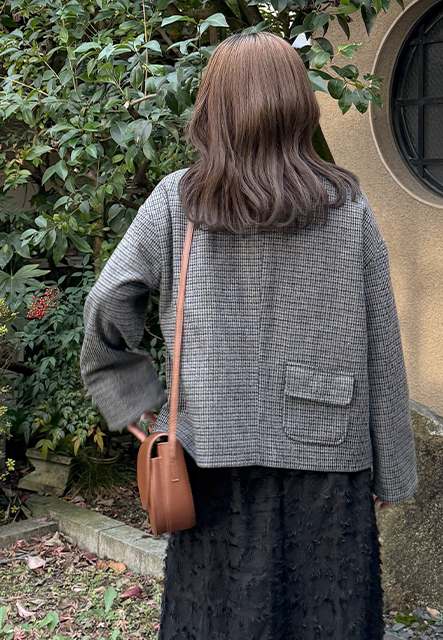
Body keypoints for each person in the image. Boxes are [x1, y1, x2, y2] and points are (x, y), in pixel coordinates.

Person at [80, 31, 417, 640]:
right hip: (328, 454)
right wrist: (392, 473)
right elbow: (382, 347)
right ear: (299, 106)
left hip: (210, 451)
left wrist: (136, 403)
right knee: (329, 620)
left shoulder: (177, 203)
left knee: (218, 620)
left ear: (212, 108)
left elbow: (107, 303)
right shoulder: (347, 206)